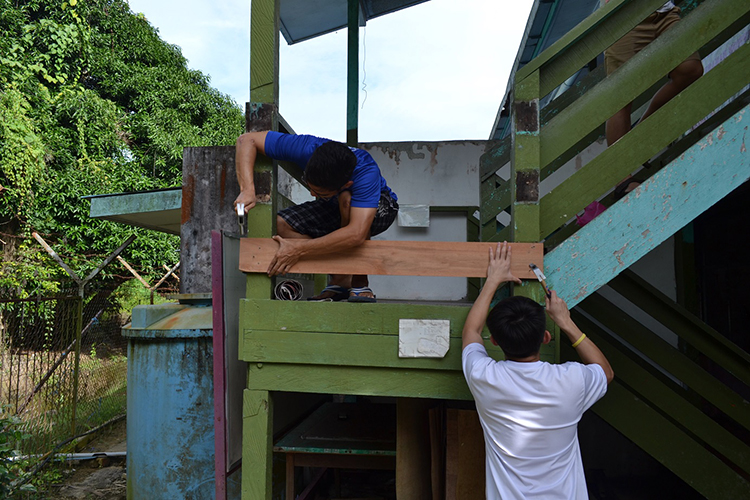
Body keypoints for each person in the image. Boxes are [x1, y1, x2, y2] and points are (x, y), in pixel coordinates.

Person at [461, 242, 614, 499]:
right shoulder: (571, 380)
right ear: (545, 337)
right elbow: (605, 372)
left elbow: (471, 332)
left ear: (495, 341)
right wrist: (566, 323)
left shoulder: (484, 377)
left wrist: (493, 280)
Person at [234, 130, 399, 302]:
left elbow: (356, 233)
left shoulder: (366, 172)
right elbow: (247, 140)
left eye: (319, 192)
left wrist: (298, 249)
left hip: (380, 209)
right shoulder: (306, 147)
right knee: (281, 224)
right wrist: (247, 189)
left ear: (346, 183)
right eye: (309, 186)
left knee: (347, 200)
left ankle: (359, 281)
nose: (312, 194)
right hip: (335, 204)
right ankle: (340, 277)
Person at [603, 1, 703, 198]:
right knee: (621, 97)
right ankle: (622, 180)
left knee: (691, 69)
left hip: (665, 12)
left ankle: (642, 130)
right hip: (625, 15)